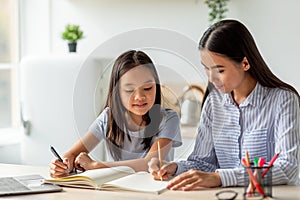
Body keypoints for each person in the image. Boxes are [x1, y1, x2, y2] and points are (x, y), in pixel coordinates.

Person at [148, 19, 300, 191]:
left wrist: (220, 177)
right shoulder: (214, 103)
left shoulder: (284, 100)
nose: (211, 78)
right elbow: (203, 163)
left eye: (220, 70)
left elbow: (288, 169)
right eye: (207, 68)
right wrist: (176, 168)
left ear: (245, 63)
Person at [50, 50, 182, 178]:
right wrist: (62, 166)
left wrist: (96, 166)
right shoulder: (108, 118)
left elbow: (149, 163)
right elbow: (72, 154)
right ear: (117, 92)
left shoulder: (169, 119)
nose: (140, 97)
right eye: (129, 90)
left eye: (147, 88)